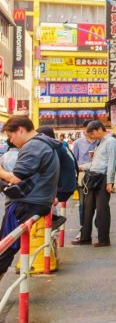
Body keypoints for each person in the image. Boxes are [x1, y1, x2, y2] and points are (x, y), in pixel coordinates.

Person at [0, 116, 59, 274]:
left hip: (28, 203)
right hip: (40, 200)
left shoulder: (33, 147)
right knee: (8, 246)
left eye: (11, 136)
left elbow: (15, 178)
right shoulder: (44, 143)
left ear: (20, 130)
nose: (11, 141)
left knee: (5, 247)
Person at [74, 121, 116, 247]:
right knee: (88, 208)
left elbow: (111, 163)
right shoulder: (100, 142)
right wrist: (82, 167)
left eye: (92, 134)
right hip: (93, 176)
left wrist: (110, 182)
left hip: (103, 178)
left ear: (99, 129)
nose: (91, 137)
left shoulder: (110, 141)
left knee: (102, 209)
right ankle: (85, 237)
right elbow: (96, 163)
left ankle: (104, 239)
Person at [71, 126, 98, 232]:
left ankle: (97, 224)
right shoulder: (78, 143)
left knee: (97, 202)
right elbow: (74, 160)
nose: (87, 132)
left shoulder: (99, 142)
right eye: (86, 130)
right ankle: (83, 227)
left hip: (96, 174)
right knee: (82, 203)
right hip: (82, 175)